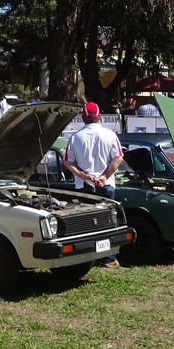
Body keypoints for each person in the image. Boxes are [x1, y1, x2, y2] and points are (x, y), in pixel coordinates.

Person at [63, 101, 124, 266]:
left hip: (84, 186)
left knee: (86, 223)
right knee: (109, 221)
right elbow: (118, 157)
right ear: (99, 116)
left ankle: (87, 256)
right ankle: (109, 258)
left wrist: (83, 175)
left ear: (82, 117)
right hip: (106, 185)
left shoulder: (75, 137)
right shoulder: (109, 135)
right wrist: (104, 176)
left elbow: (68, 162)